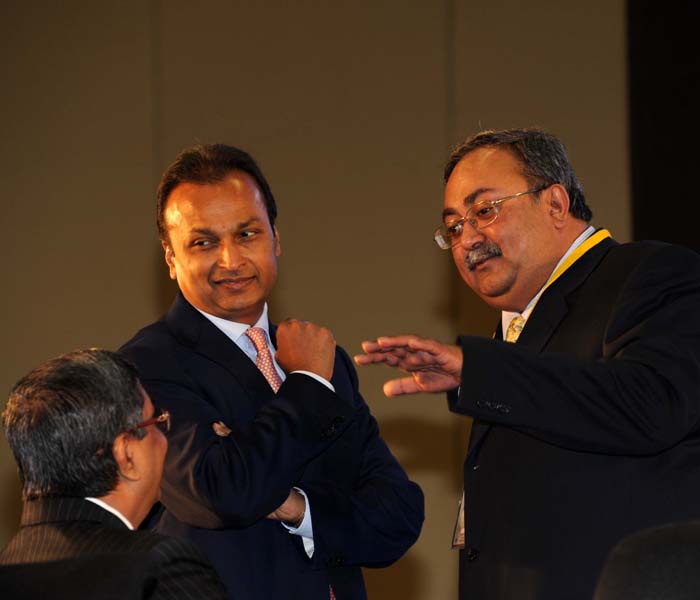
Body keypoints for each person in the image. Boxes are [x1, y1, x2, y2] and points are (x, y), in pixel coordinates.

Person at [355, 128, 700, 600]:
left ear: (555, 203)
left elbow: (653, 403)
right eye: (453, 227)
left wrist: (480, 370)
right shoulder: (512, 334)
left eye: (484, 210)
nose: (468, 239)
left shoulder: (647, 274)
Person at [119, 144, 424, 600]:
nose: (231, 260)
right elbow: (224, 491)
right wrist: (305, 386)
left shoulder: (322, 358)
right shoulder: (147, 364)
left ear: (276, 239)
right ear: (170, 257)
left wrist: (295, 507)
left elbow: (399, 517)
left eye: (247, 235)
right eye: (203, 242)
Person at [0, 349, 227, 599]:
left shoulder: (11, 562)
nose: (165, 440)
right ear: (126, 454)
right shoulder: (158, 567)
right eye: (156, 421)